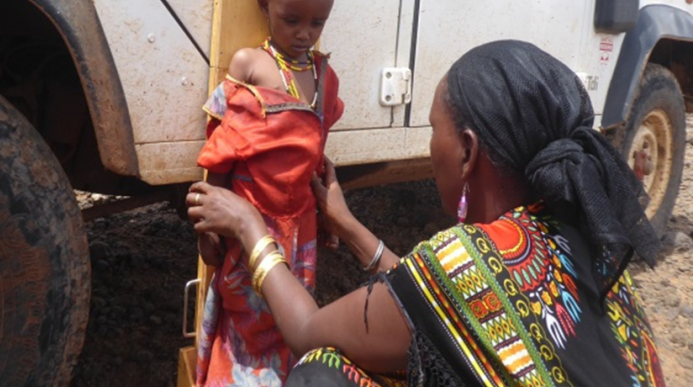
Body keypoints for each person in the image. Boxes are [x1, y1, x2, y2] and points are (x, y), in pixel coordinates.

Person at [187, 40, 666, 387]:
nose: (429, 143)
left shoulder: (469, 257)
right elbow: (452, 302)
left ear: (467, 151)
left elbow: (308, 332)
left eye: (435, 128)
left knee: (323, 375)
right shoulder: (572, 231)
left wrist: (251, 229)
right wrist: (350, 227)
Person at [193, 0, 344, 386]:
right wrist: (206, 227)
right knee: (245, 319)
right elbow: (223, 150)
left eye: (318, 22)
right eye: (292, 19)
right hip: (250, 224)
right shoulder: (251, 67)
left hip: (302, 234)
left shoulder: (322, 76)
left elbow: (314, 154)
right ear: (264, 4)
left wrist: (330, 215)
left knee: (292, 315)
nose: (305, 33)